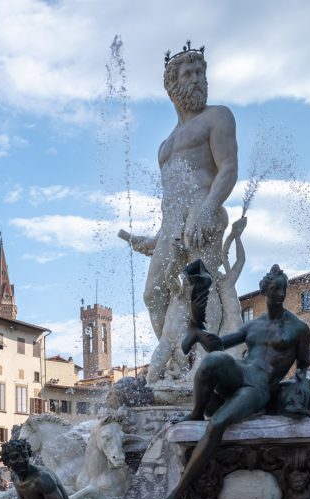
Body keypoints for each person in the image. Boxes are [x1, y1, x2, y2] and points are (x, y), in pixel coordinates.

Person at [120, 43, 239, 373]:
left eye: (201, 72)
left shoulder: (217, 116)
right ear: (172, 86)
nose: (198, 79)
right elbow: (172, 198)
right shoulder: (165, 144)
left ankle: (208, 365)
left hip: (205, 214)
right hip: (172, 225)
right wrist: (156, 238)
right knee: (153, 294)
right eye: (189, 73)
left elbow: (228, 168)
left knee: (203, 286)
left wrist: (206, 210)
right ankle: (179, 365)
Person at [157, 264, 310, 499]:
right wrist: (198, 331)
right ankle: (196, 412)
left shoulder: (298, 328)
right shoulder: (253, 326)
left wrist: (303, 381)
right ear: (265, 291)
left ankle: (180, 490)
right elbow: (217, 345)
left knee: (217, 424)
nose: (280, 294)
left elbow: (305, 365)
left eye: (283, 289)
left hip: (259, 387)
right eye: (274, 289)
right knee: (213, 360)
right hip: (242, 371)